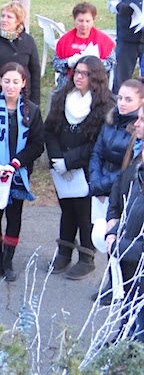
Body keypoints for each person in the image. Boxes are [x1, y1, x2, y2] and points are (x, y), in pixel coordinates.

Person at [0, 63, 44, 281]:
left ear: (23, 84)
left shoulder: (32, 111)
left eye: (16, 81)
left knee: (14, 217)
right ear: (0, 81)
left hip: (17, 174)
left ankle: (8, 261)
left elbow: (37, 144)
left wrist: (15, 164)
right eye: (7, 81)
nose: (11, 86)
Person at [45, 56, 114, 280]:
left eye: (85, 73)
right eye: (77, 72)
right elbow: (50, 129)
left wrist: (70, 161)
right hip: (61, 168)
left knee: (85, 214)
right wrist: (57, 158)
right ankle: (64, 252)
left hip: (86, 170)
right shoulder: (62, 97)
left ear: (96, 77)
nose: (79, 77)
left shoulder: (105, 106)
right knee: (67, 210)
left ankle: (86, 258)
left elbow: (97, 143)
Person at [88, 78, 144, 305]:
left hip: (117, 194)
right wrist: (95, 181)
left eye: (129, 99)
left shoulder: (136, 134)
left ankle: (117, 286)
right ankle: (114, 283)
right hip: (107, 193)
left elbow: (127, 168)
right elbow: (98, 152)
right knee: (107, 239)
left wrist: (101, 185)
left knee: (121, 245)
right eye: (120, 97)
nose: (121, 103)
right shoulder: (111, 121)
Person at [105, 104, 144, 340]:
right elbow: (126, 203)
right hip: (131, 268)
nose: (135, 124)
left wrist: (119, 247)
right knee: (128, 317)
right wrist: (114, 228)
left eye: (141, 119)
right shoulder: (137, 166)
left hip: (136, 263)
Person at [0, 0, 41, 104]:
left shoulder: (28, 41)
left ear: (18, 21)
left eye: (9, 17)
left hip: (20, 96)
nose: (4, 20)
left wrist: (35, 103)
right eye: (2, 16)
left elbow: (35, 72)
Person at [52, 2, 116, 91]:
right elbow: (56, 64)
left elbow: (111, 64)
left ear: (93, 20)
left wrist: (95, 64)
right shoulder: (64, 40)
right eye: (80, 21)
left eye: (88, 21)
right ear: (74, 20)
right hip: (68, 85)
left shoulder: (104, 40)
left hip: (94, 86)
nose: (84, 25)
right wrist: (68, 62)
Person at [108, 0, 144, 94]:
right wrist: (121, 7)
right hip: (128, 37)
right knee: (121, 77)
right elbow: (111, 2)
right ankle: (118, 107)